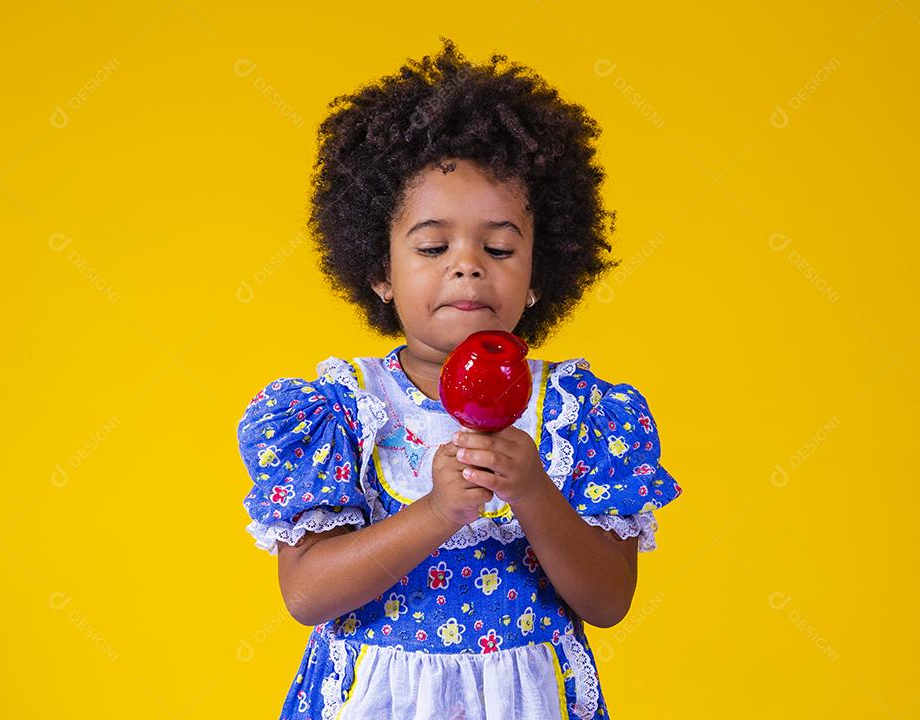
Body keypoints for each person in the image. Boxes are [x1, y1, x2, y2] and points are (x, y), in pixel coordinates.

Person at [236, 36, 684, 720]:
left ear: (539, 274)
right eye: (433, 245)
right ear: (380, 271)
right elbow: (307, 594)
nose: (468, 264)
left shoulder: (580, 413)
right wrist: (440, 512)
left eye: (499, 246)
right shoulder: (341, 412)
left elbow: (607, 600)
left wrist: (532, 489)